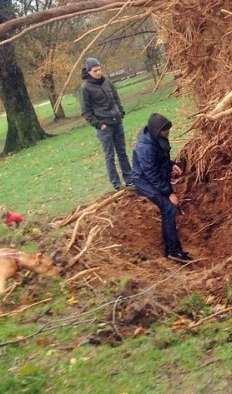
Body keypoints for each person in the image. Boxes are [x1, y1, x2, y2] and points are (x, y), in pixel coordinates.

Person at [131, 113, 192, 263]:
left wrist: (172, 165)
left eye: (168, 130)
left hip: (153, 178)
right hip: (144, 181)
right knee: (169, 208)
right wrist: (169, 193)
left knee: (170, 208)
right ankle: (171, 251)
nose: (168, 133)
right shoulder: (145, 148)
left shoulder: (157, 138)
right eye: (165, 131)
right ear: (157, 130)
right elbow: (151, 173)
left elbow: (160, 161)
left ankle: (176, 249)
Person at [79, 57, 134, 191]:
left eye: (99, 69)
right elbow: (85, 112)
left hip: (117, 122)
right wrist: (99, 124)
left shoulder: (107, 82)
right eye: (95, 70)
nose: (98, 72)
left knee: (122, 152)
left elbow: (116, 97)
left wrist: (120, 112)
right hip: (104, 127)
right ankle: (116, 185)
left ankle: (130, 180)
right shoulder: (85, 88)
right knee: (109, 155)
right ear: (89, 72)